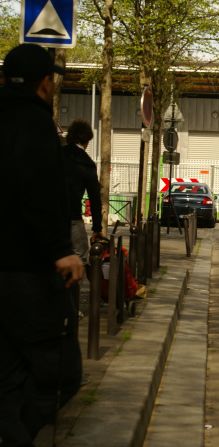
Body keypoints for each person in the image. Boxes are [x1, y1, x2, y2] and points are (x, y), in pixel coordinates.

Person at [0, 43, 85, 446]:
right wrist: (60, 250)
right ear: (44, 83)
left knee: (11, 371)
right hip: (29, 271)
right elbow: (37, 194)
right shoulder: (34, 125)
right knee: (62, 373)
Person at [64, 119, 103, 263]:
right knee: (80, 254)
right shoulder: (87, 163)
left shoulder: (56, 154)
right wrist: (97, 227)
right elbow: (94, 198)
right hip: (73, 216)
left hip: (51, 215)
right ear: (86, 140)